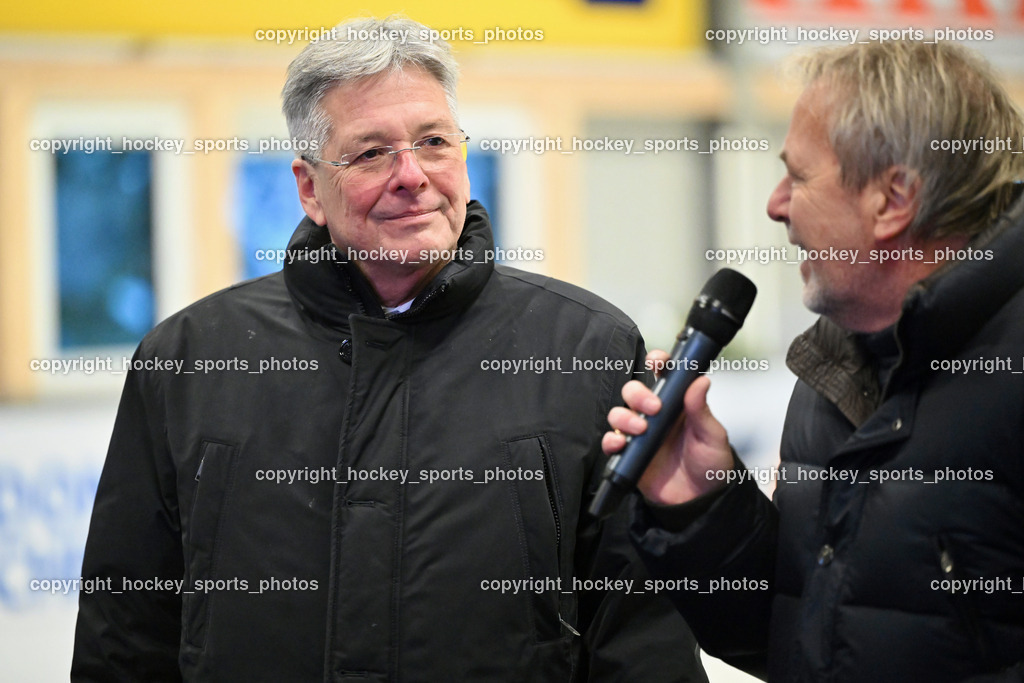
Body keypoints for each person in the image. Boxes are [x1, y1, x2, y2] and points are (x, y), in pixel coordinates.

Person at [71, 15, 707, 683]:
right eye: (371, 152)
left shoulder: (589, 350)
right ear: (310, 188)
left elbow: (641, 634)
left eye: (433, 141)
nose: (412, 175)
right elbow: (124, 635)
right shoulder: (190, 361)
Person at [606, 40, 1024, 681]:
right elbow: (806, 640)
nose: (776, 205)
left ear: (893, 200)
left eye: (798, 177)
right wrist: (700, 507)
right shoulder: (837, 365)